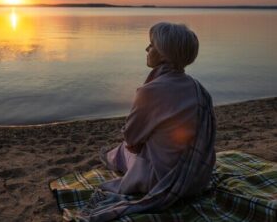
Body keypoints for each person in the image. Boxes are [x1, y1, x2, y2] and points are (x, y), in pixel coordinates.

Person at [79, 22, 217, 222]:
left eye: (151, 45)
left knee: (121, 150)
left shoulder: (151, 91)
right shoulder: (199, 89)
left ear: (162, 54)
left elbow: (131, 139)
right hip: (198, 178)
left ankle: (110, 158)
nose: (147, 49)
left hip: (163, 181)